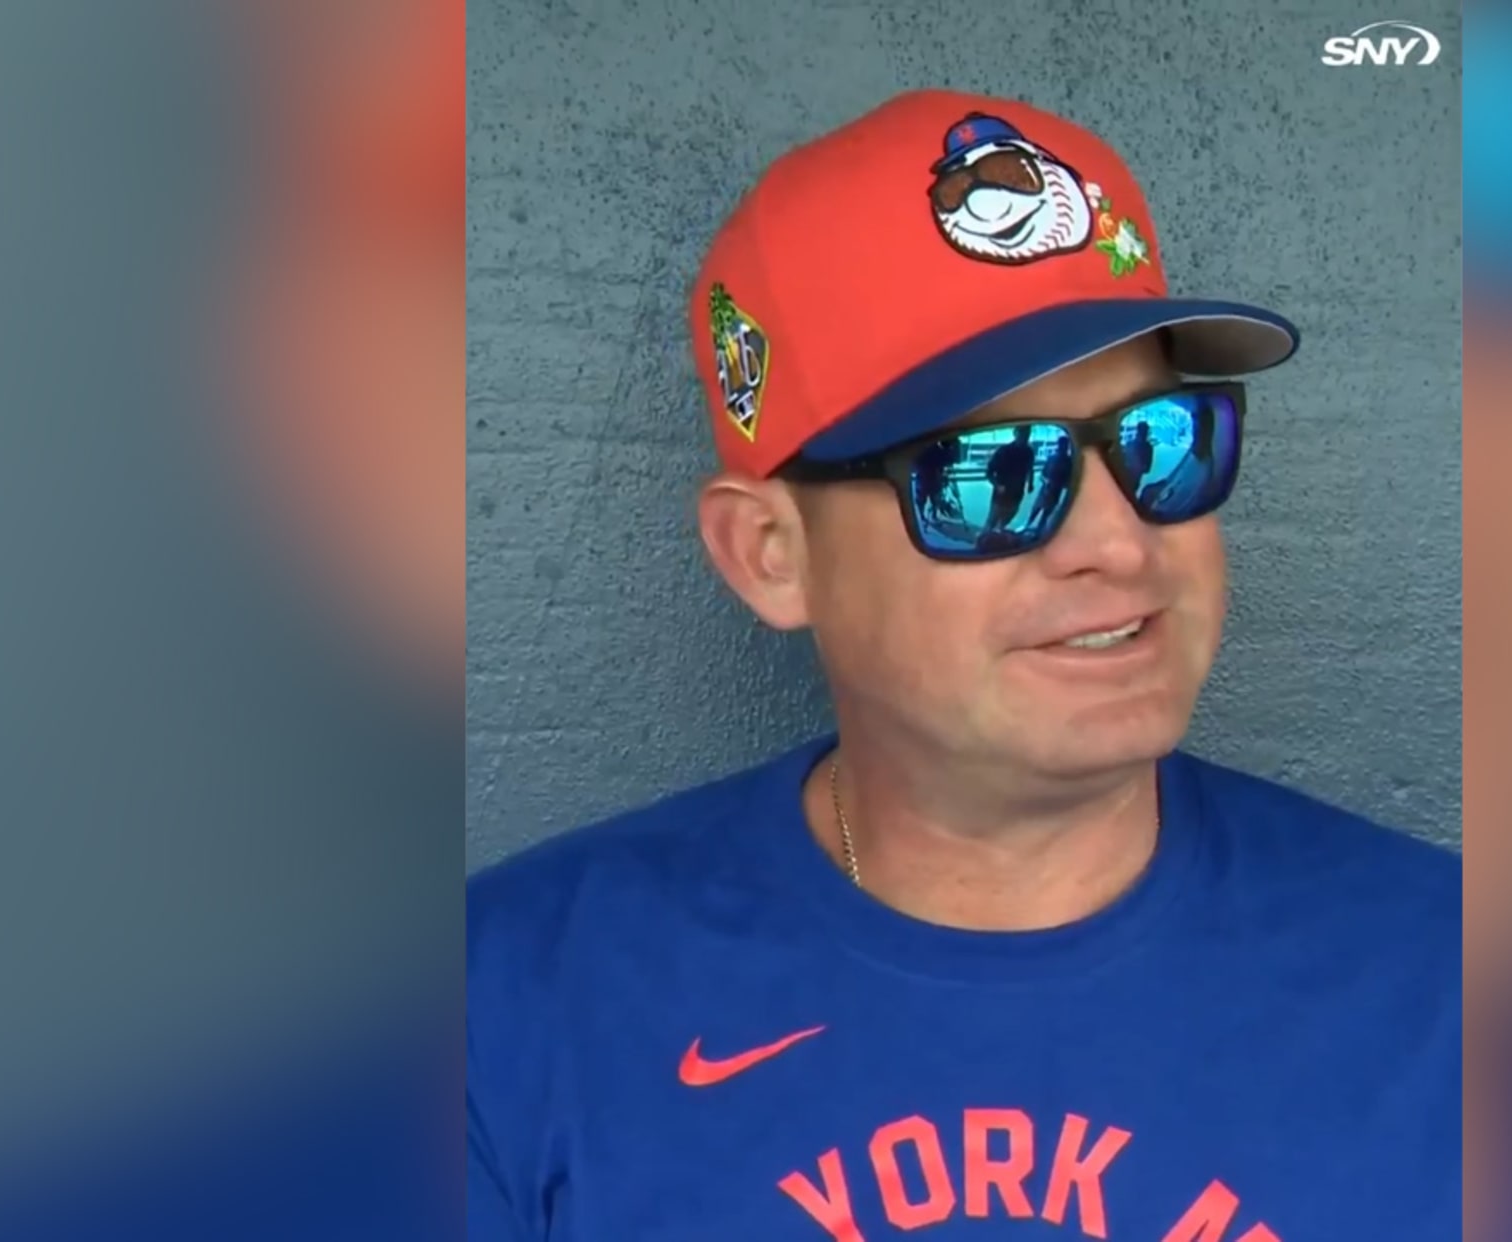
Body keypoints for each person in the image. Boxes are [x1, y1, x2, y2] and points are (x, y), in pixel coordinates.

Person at [466, 88, 1459, 1240]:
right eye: (990, 475)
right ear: (772, 554)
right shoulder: (507, 1012)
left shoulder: (1460, 993)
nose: (1117, 542)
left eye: (1162, 443)